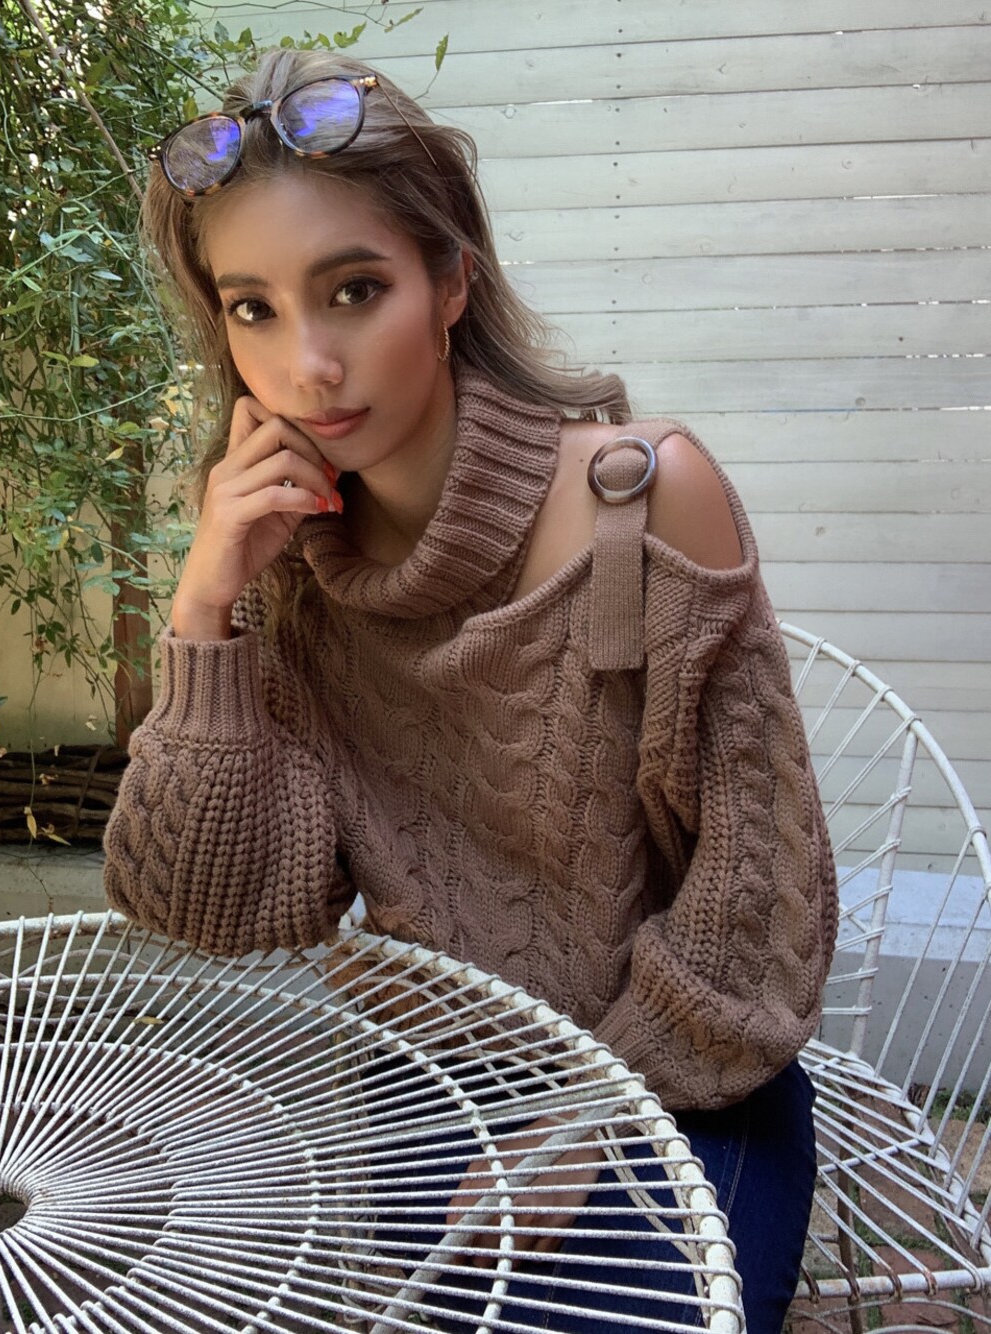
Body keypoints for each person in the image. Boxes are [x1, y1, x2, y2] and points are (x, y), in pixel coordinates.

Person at [104, 46, 838, 1333]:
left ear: (452, 280)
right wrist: (203, 608)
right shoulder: (280, 565)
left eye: (354, 289)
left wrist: (587, 1114)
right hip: (431, 1086)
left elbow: (758, 900)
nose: (308, 364)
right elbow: (207, 908)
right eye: (252, 308)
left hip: (676, 1073)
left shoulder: (640, 503)